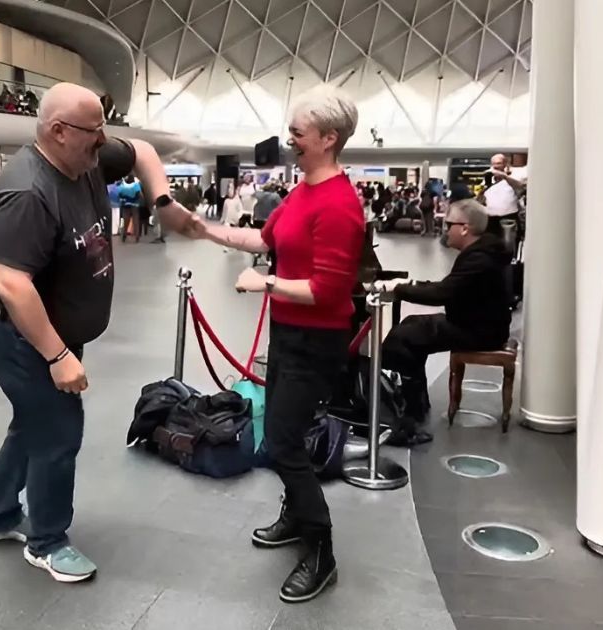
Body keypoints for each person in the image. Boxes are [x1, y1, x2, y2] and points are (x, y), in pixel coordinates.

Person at [0, 82, 200, 583]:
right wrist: (57, 356)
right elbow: (11, 284)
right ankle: (47, 541)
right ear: (58, 131)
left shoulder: (87, 157)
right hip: (16, 334)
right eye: (94, 133)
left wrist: (163, 202)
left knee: (34, 420)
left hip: (55, 329)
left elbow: (140, 151)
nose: (103, 142)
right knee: (57, 430)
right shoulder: (28, 193)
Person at [191, 85, 364, 604]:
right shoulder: (303, 189)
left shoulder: (338, 205)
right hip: (289, 333)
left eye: (298, 131)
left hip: (317, 338)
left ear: (329, 138)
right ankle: (296, 516)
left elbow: (327, 292)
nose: (289, 138)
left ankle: (321, 548)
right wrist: (203, 228)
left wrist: (262, 283)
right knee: (281, 435)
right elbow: (266, 240)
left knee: (284, 442)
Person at [377, 199, 512, 441]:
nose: (444, 229)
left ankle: (407, 422)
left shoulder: (479, 258)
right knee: (409, 326)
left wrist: (399, 289)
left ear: (464, 228)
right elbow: (451, 287)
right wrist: (410, 286)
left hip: (479, 331)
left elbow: (443, 293)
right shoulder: (482, 252)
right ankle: (415, 403)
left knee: (401, 340)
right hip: (475, 323)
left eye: (448, 224)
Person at [480, 153, 526, 238]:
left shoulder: (513, 176)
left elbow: (520, 187)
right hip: (491, 219)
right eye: (493, 164)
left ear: (505, 164)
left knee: (508, 244)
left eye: (498, 163)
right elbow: (482, 199)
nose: (495, 166)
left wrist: (504, 176)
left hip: (508, 218)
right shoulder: (489, 179)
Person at [116, 174, 142, 243]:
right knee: (135, 220)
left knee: (126, 221)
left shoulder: (122, 186)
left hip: (125, 204)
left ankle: (124, 235)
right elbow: (139, 195)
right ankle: (137, 237)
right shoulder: (136, 185)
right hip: (135, 204)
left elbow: (119, 194)